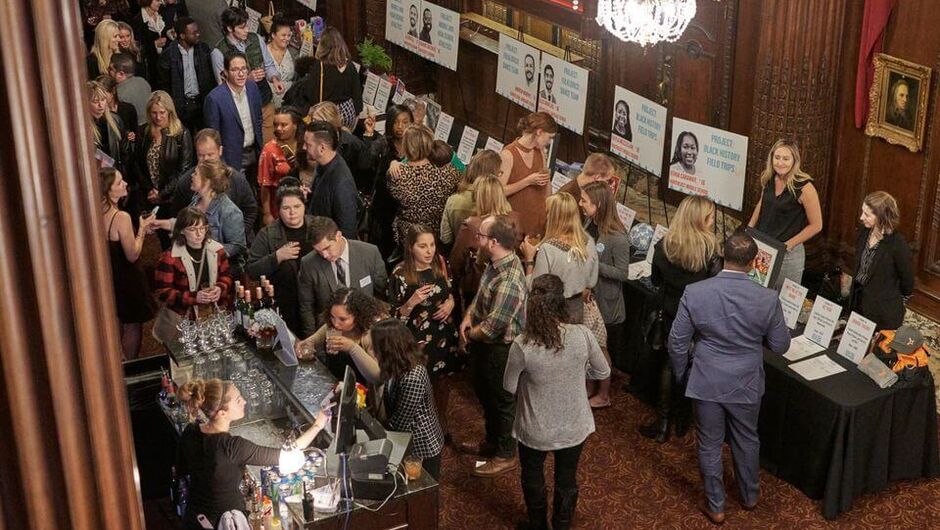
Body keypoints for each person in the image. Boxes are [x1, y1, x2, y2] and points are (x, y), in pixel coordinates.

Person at [668, 232, 791, 525]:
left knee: (709, 443)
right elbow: (780, 345)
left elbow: (676, 343)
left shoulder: (695, 292)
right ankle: (750, 495)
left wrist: (682, 374)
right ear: (754, 263)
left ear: (723, 256)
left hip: (705, 380)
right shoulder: (768, 298)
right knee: (746, 438)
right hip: (746, 381)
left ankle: (716, 505)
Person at [504, 274, 609, 530]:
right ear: (562, 302)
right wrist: (577, 373)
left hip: (535, 427)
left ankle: (538, 525)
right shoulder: (582, 335)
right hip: (574, 424)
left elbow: (509, 386)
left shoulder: (522, 345)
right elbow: (603, 371)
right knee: (566, 479)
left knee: (532, 476)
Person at [176, 377, 330, 529]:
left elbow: (182, 470)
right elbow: (286, 456)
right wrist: (317, 425)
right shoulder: (233, 447)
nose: (244, 401)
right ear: (222, 413)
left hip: (194, 519)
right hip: (224, 523)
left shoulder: (190, 432)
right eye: (238, 400)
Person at [642, 195, 721, 443]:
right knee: (691, 368)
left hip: (670, 314)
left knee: (668, 365)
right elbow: (716, 291)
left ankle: (663, 422)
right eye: (710, 217)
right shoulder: (711, 252)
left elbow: (655, 281)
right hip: (698, 320)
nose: (713, 221)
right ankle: (683, 420)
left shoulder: (664, 245)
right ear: (700, 220)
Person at [458, 214, 527, 477]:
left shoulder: (509, 279)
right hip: (485, 345)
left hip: (500, 350)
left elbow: (492, 327)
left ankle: (505, 454)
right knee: (486, 394)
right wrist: (468, 316)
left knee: (502, 401)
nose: (477, 239)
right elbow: (480, 296)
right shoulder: (494, 262)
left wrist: (468, 335)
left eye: (481, 236)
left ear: (494, 242)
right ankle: (492, 442)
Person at [388, 224, 459, 440]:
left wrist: (450, 304)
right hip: (416, 341)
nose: (429, 251)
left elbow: (451, 292)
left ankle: (442, 425)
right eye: (422, 246)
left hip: (443, 335)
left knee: (442, 384)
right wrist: (412, 302)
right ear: (411, 247)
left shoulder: (441, 263)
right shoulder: (400, 274)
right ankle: (420, 432)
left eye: (432, 245)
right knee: (419, 387)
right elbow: (394, 318)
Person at [367, 319, 446, 479]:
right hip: (407, 440)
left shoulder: (412, 377)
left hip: (421, 446)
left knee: (424, 489)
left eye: (374, 347)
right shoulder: (396, 365)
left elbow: (400, 423)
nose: (372, 351)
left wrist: (372, 432)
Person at [579, 181, 631, 409]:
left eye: (584, 201)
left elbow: (622, 273)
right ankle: (589, 386)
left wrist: (594, 264)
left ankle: (603, 394)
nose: (580, 204)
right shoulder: (590, 222)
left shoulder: (617, 237)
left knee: (601, 350)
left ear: (598, 204)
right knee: (587, 347)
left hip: (606, 305)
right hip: (588, 300)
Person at [747, 139, 823, 289]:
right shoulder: (769, 178)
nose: (780, 162)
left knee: (782, 300)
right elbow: (762, 204)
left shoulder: (805, 187)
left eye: (786, 159)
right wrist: (749, 230)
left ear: (795, 161)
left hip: (788, 255)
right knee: (758, 293)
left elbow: (816, 225)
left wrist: (787, 245)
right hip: (763, 250)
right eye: (777, 157)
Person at [297, 216, 387, 336]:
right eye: (318, 251)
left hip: (366, 330)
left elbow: (381, 293)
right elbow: (306, 307)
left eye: (327, 248)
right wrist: (312, 340)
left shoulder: (369, 253)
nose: (324, 255)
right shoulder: (308, 263)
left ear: (338, 236)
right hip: (329, 332)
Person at [245, 182, 317, 333]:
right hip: (285, 302)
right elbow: (251, 269)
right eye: (286, 208)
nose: (292, 212)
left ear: (304, 206)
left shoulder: (317, 226)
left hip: (316, 299)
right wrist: (276, 257)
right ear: (278, 210)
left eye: (297, 206)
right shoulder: (267, 234)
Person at [101, 168, 155, 359]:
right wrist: (142, 230)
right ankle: (130, 366)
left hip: (108, 278)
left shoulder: (93, 216)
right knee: (132, 325)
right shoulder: (121, 218)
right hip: (127, 279)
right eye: (119, 182)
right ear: (108, 191)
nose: (125, 184)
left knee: (115, 322)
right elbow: (132, 254)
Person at [521, 192, 598, 326]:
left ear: (553, 216)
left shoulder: (548, 249)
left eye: (548, 212)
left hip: (552, 315)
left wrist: (529, 260)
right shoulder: (589, 242)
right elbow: (591, 282)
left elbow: (535, 289)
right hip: (577, 312)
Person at [154, 159, 247, 267]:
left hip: (218, 268)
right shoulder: (196, 199)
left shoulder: (230, 211)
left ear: (207, 181)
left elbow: (237, 246)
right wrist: (160, 223)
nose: (191, 175)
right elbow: (188, 225)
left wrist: (206, 251)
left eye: (196, 173)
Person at [449, 175, 519, 311]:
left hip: (478, 291)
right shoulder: (516, 221)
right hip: (509, 287)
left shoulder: (471, 226)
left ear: (478, 197)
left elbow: (456, 262)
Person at [173, 128, 257, 239]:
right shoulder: (186, 182)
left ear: (220, 150)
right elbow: (179, 215)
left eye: (210, 154)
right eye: (201, 155)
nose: (205, 159)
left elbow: (250, 210)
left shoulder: (236, 179)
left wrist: (237, 234)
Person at [136, 90, 194, 248]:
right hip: (151, 196)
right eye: (154, 113)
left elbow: (184, 170)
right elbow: (138, 165)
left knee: (179, 239)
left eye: (162, 112)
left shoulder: (181, 133)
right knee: (162, 242)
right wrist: (150, 190)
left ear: (169, 111)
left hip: (174, 198)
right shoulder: (144, 132)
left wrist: (162, 193)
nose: (158, 117)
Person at [294, 287, 385, 384]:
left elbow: (377, 378)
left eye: (343, 319)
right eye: (332, 317)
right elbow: (313, 340)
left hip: (360, 390)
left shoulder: (368, 336)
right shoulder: (331, 327)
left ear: (358, 316)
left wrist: (352, 348)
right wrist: (306, 345)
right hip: (333, 383)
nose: (336, 324)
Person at [153, 207, 233, 316]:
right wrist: (193, 297)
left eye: (202, 228)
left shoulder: (217, 250)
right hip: (184, 316)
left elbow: (226, 275)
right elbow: (162, 292)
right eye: (192, 229)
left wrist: (220, 288)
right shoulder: (170, 257)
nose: (199, 234)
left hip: (214, 311)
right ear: (181, 230)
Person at [387, 124, 459, 244]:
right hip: (436, 235)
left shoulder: (396, 174)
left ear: (406, 146)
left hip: (409, 237)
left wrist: (394, 162)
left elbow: (392, 196)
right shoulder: (449, 172)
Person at [852, 191, 914, 330]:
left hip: (883, 313)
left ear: (881, 217)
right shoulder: (864, 231)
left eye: (867, 215)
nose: (861, 217)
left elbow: (907, 282)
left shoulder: (897, 244)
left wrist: (891, 300)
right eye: (862, 212)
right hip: (859, 302)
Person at [284, 27, 363, 130]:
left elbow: (311, 94)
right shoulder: (349, 65)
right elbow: (357, 95)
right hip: (347, 114)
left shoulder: (320, 66)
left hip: (327, 114)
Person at [361, 104, 413, 257]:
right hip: (383, 207)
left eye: (405, 122)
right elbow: (364, 163)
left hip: (405, 208)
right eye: (396, 122)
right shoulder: (383, 143)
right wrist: (368, 135)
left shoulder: (415, 145)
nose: (400, 126)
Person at [210, 7, 285, 110]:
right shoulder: (218, 52)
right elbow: (223, 87)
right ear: (230, 28)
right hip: (242, 106)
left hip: (264, 98)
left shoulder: (256, 38)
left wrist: (274, 79)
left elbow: (268, 65)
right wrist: (247, 79)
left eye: (246, 25)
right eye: (242, 27)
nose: (247, 30)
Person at [204, 51, 264, 174]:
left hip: (255, 152)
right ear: (225, 72)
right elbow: (213, 136)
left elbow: (258, 119)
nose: (241, 74)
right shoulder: (214, 98)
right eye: (235, 70)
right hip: (231, 160)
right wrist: (222, 163)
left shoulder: (253, 88)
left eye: (244, 69)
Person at [500, 113, 557, 238]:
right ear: (539, 132)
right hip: (514, 227)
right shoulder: (508, 154)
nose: (549, 142)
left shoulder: (540, 152)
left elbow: (547, 188)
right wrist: (527, 181)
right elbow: (499, 191)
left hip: (537, 225)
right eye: (549, 137)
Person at [158, 17, 216, 133]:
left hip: (202, 102)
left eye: (197, 31)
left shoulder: (203, 50)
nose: (198, 34)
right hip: (181, 106)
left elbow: (211, 77)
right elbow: (164, 84)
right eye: (193, 33)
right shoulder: (168, 55)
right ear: (182, 36)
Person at [303, 120, 360, 238]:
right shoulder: (322, 165)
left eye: (308, 145)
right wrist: (308, 197)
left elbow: (347, 230)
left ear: (322, 148)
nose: (304, 147)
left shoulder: (342, 183)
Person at [440, 149, 501, 247]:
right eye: (499, 173)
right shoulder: (500, 205)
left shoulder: (453, 200)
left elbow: (445, 238)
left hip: (457, 251)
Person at [258, 106, 304, 225]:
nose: (279, 128)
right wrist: (267, 214)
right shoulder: (269, 149)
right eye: (276, 125)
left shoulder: (304, 145)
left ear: (295, 125)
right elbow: (265, 185)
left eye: (284, 125)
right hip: (279, 206)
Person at [308, 101, 368, 190]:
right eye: (313, 121)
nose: (313, 126)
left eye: (317, 122)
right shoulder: (311, 138)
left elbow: (365, 161)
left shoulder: (351, 142)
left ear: (330, 123)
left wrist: (369, 136)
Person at [88, 80, 134, 179]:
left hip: (117, 175)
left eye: (103, 100)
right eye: (95, 101)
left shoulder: (115, 120)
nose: (101, 105)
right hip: (97, 177)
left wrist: (122, 175)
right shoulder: (84, 127)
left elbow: (125, 152)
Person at [129, 0, 170, 83]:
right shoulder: (138, 21)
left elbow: (164, 33)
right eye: (157, 0)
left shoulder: (160, 15)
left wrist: (169, 34)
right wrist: (155, 44)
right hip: (149, 66)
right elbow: (138, 47)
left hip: (163, 63)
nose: (160, 3)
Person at [110, 52, 153, 127]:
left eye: (111, 69)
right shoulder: (143, 82)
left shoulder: (119, 93)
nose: (108, 71)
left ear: (121, 74)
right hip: (150, 124)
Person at [266, 16, 297, 113]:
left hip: (290, 105)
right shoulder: (263, 52)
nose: (287, 39)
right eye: (283, 35)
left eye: (289, 35)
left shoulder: (293, 52)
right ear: (273, 35)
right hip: (268, 104)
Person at [96, 75, 139, 144]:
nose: (100, 98)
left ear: (113, 91)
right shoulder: (99, 113)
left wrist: (133, 135)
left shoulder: (128, 109)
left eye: (104, 94)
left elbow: (136, 132)